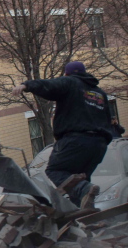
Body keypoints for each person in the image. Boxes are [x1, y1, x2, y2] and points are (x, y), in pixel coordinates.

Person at [12, 61, 118, 206]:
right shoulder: (99, 93)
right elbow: (108, 120)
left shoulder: (70, 82)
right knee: (79, 180)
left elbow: (50, 85)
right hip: (99, 145)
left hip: (76, 140)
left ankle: (84, 190)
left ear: (67, 73)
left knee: (55, 172)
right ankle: (83, 216)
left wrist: (27, 85)